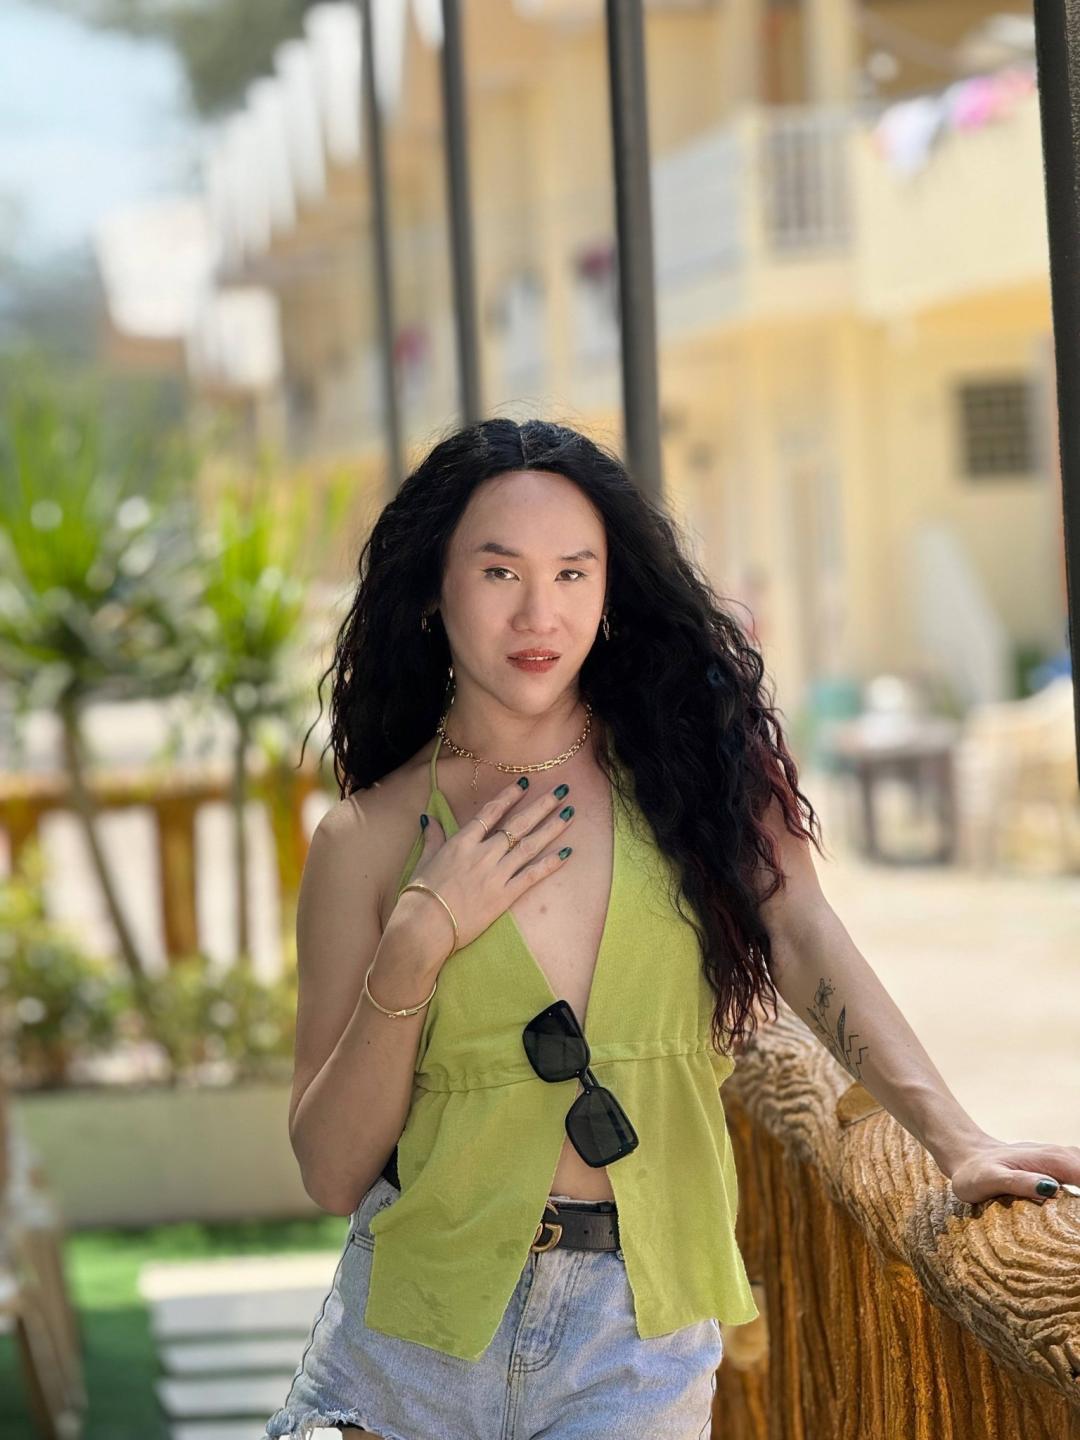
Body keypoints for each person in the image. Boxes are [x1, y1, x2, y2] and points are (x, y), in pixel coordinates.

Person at [263, 418, 1080, 1440]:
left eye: (573, 573)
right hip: (406, 1349)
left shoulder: (695, 781)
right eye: (499, 571)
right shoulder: (366, 839)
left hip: (634, 1339)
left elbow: (806, 939)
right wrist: (417, 943)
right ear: (434, 589)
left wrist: (959, 1143)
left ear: (611, 592)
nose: (539, 612)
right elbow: (331, 1170)